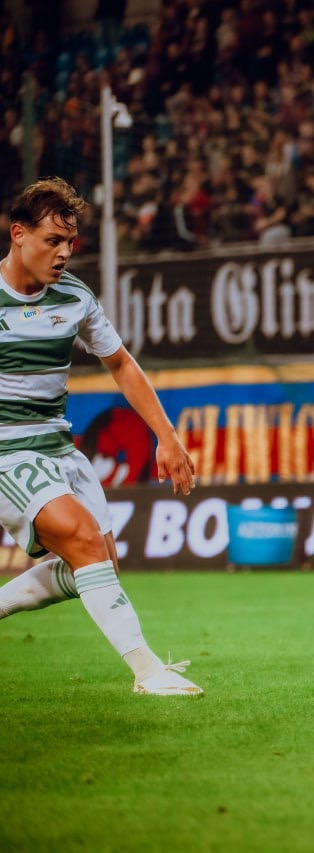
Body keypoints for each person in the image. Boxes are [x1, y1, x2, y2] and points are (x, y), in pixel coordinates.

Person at [0, 178, 202, 697]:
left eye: (70, 242)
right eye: (53, 240)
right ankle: (148, 672)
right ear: (18, 234)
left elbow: (121, 363)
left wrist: (166, 437)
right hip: (7, 450)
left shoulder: (74, 297)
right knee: (84, 539)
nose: (64, 253)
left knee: (97, 567)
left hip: (58, 446)